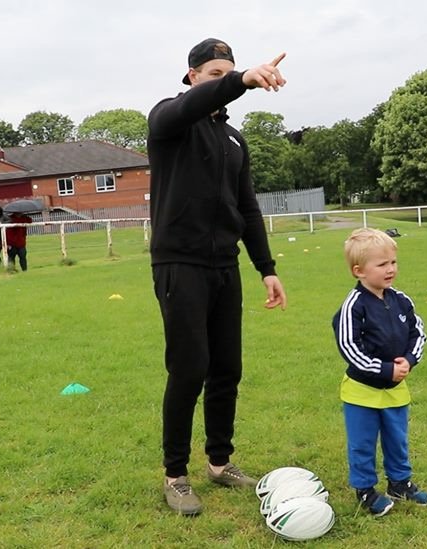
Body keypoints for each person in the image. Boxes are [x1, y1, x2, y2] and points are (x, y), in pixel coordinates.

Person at [147, 38, 288, 516]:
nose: (220, 80)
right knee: (189, 369)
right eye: (212, 73)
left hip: (224, 266)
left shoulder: (234, 140)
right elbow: (189, 108)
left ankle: (220, 462)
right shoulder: (169, 119)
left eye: (226, 71)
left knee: (227, 368)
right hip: (179, 264)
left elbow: (246, 207)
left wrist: (266, 268)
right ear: (191, 76)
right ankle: (176, 475)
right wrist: (240, 80)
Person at [331, 228, 427, 516]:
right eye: (382, 264)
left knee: (397, 440)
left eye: (393, 262)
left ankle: (400, 483)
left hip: (396, 390)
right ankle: (364, 490)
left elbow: (418, 333)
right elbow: (349, 346)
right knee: (362, 445)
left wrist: (409, 361)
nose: (390, 270)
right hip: (361, 392)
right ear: (358, 271)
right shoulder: (353, 306)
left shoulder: (401, 300)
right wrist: (386, 369)